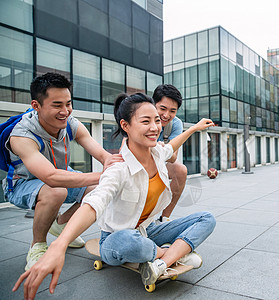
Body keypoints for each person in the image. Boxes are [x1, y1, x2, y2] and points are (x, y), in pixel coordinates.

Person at [13, 92, 216, 299]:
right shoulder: (118, 169)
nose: (155, 127)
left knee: (207, 218)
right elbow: (93, 205)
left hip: (149, 230)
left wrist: (194, 128)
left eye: (156, 120)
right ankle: (173, 254)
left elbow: (172, 145)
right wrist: (59, 245)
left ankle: (162, 261)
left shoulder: (157, 153)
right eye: (145, 121)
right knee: (128, 240)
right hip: (116, 238)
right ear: (125, 125)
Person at [4, 72, 121, 271]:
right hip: (22, 184)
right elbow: (50, 177)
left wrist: (114, 163)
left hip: (58, 176)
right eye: (57, 105)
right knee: (56, 190)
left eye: (68, 103)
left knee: (98, 187)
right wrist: (105, 175)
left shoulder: (71, 123)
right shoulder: (22, 135)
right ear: (36, 106)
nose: (65, 111)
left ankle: (60, 224)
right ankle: (37, 245)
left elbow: (103, 155)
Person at [152, 84, 187, 222]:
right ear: (153, 104)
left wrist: (162, 148)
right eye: (162, 109)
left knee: (180, 170)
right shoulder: (140, 115)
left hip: (158, 162)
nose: (166, 115)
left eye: (172, 111)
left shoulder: (176, 124)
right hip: (137, 164)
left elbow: (173, 157)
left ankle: (164, 219)